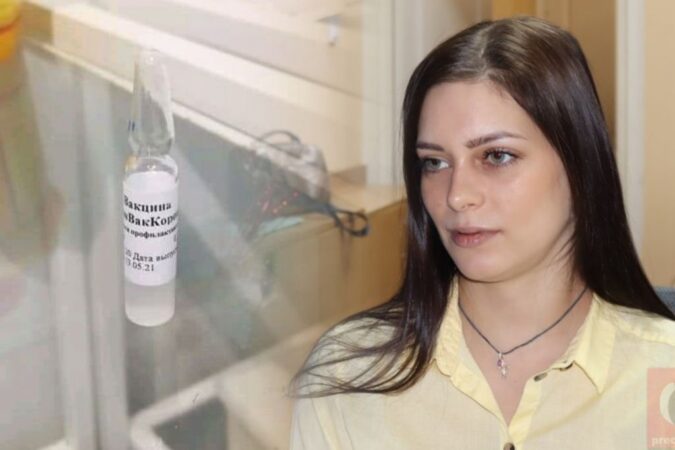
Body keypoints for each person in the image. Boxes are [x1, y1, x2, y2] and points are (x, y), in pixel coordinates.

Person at [287, 16, 675, 450]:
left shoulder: (663, 376)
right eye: (435, 162)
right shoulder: (345, 381)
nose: (457, 195)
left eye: (497, 156)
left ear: (580, 164)